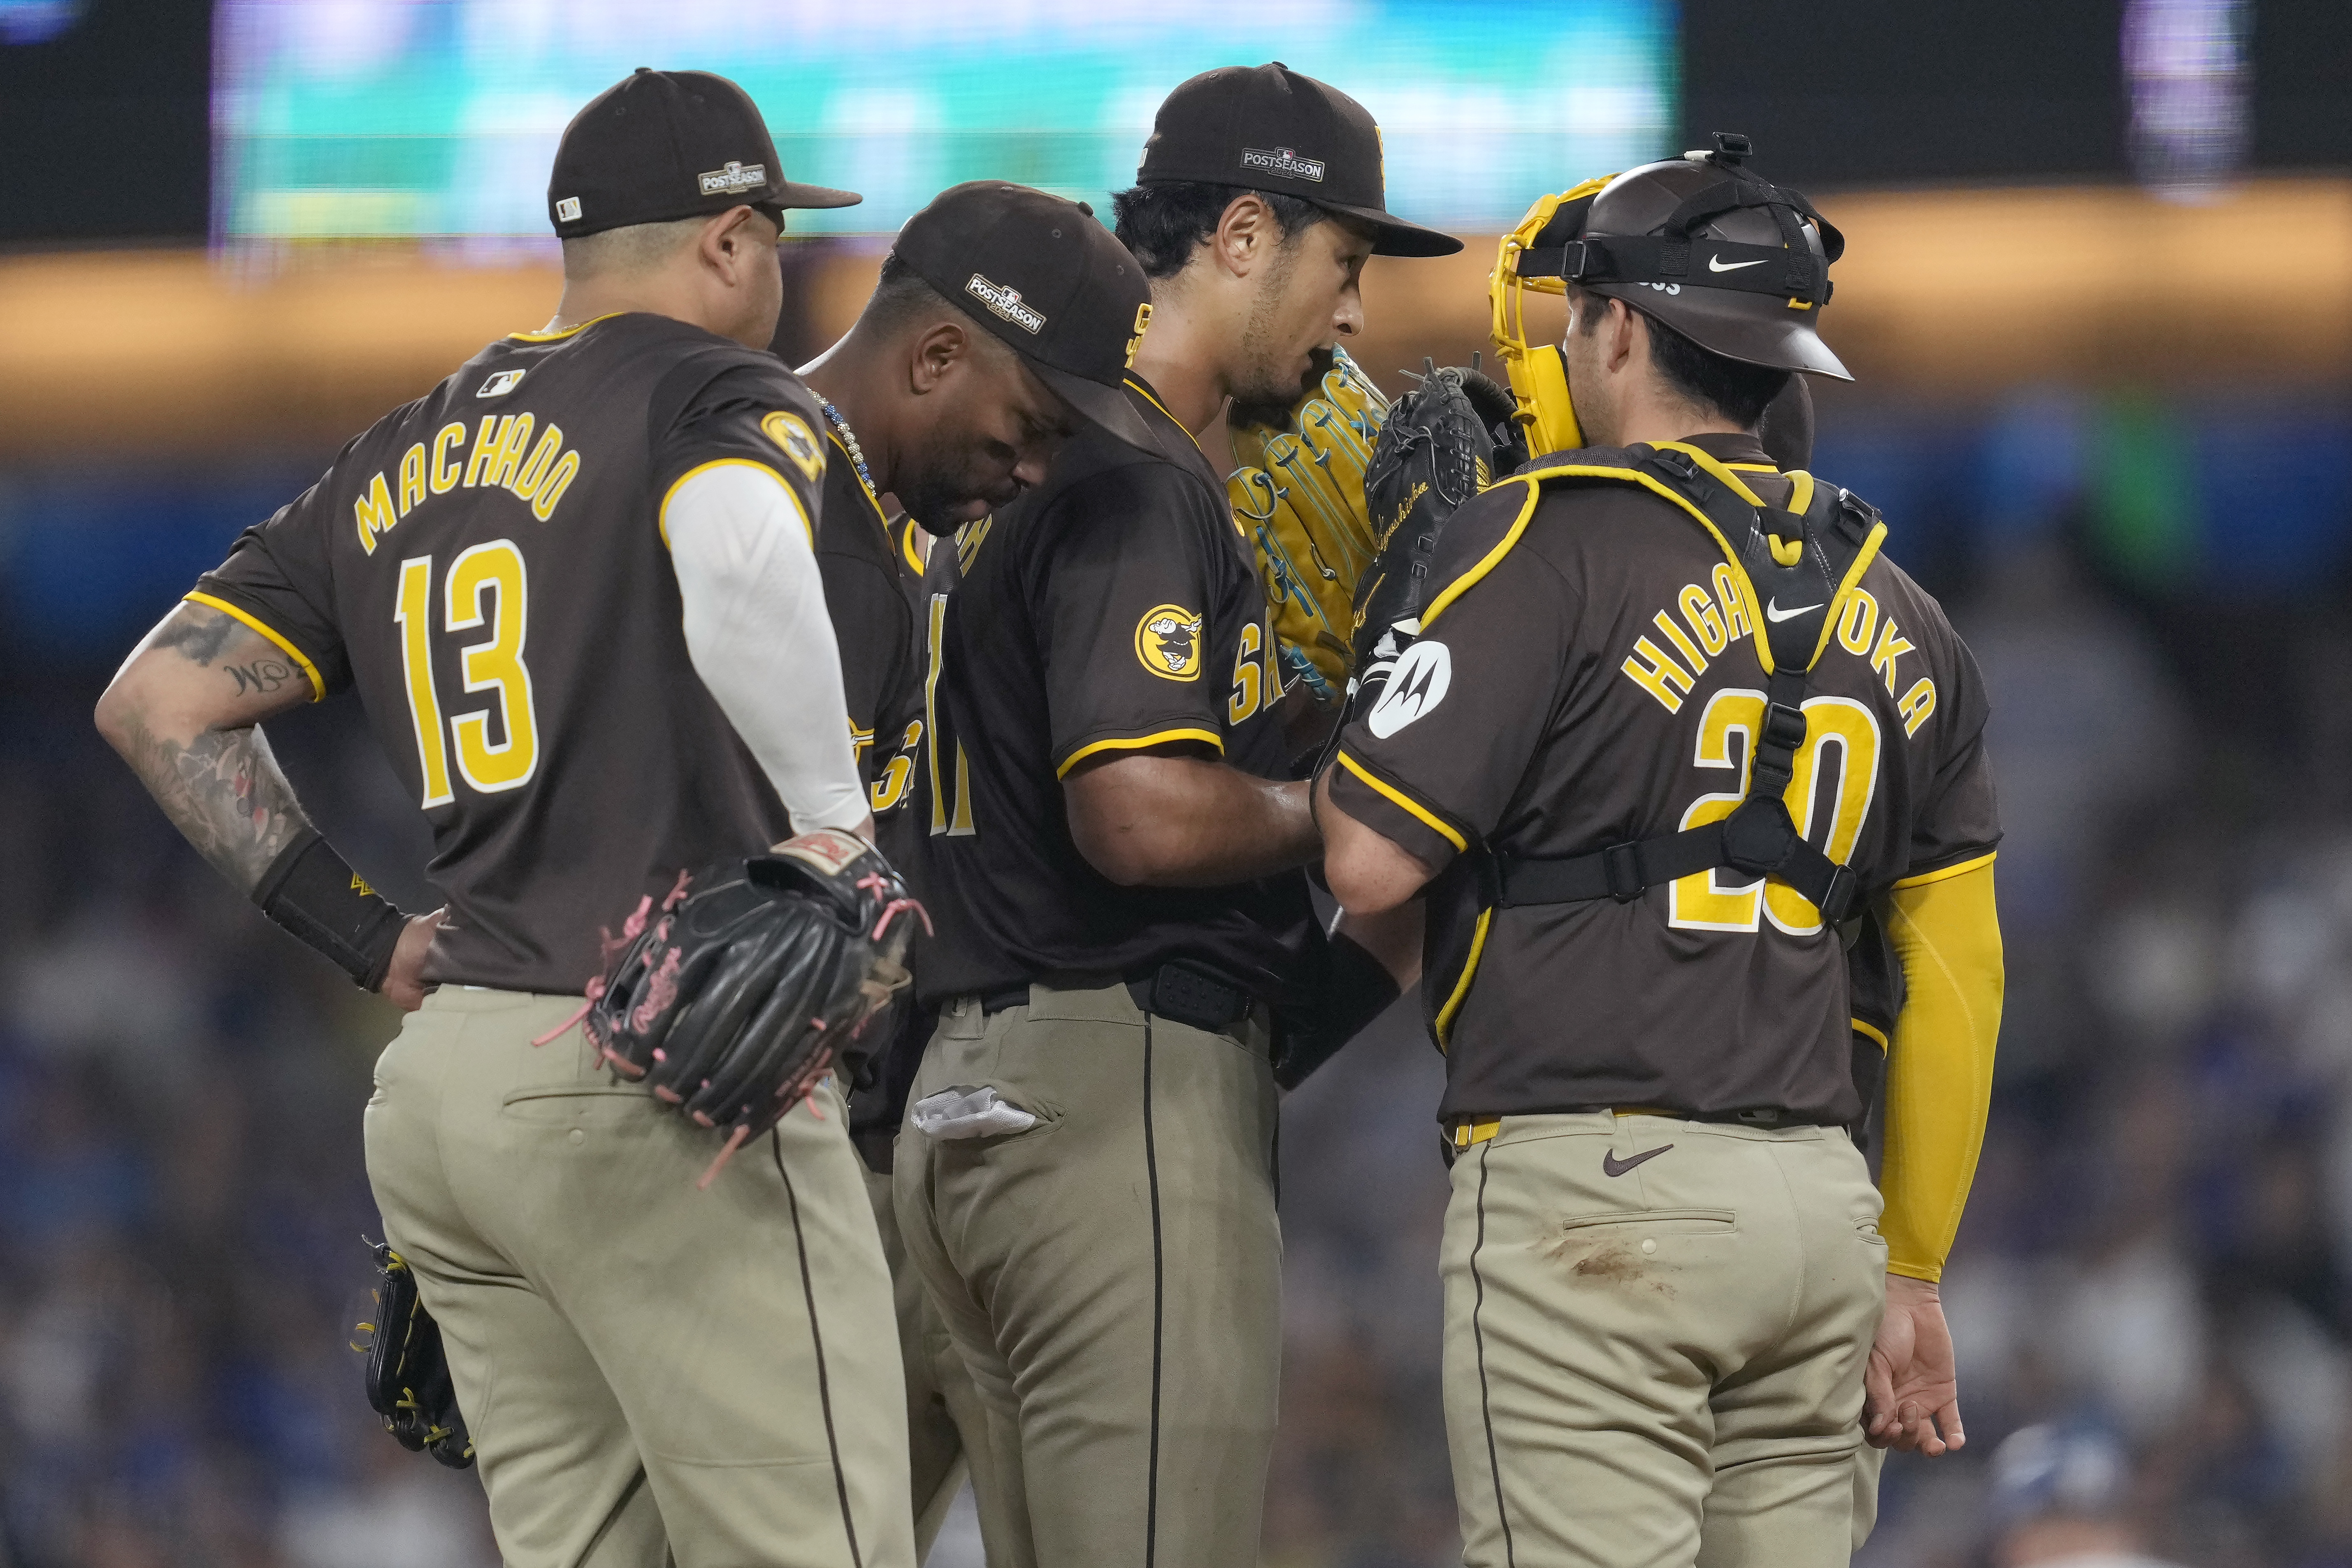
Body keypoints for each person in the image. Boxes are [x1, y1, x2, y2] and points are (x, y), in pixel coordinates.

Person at [96, 67, 946, 1568]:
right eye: (774, 239)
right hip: (659, 1069)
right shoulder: (706, 388)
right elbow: (739, 553)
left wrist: (361, 934)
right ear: (732, 240)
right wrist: (835, 830)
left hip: (458, 1084)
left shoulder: (393, 453)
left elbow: (158, 699)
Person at [1318, 139, 2004, 1566]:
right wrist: (1916, 1268)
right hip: (1820, 1215)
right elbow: (1958, 976)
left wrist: (1411, 595)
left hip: (1598, 1201)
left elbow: (1369, 864)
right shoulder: (1916, 614)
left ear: (1618, 327)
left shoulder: (1541, 541)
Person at [891, 62, 1460, 1568]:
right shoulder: (1138, 473)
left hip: (956, 1102)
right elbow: (1139, 818)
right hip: (1108, 1105)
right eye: (1345, 264)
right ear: (1246, 234)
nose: (1354, 320)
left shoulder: (999, 473)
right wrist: (1339, 802)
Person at [793, 180, 1160, 1557]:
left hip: (874, 1136)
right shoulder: (768, 503)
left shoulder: (890, 524)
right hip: (735, 1157)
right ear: (937, 358)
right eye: (1027, 428)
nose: (1032, 470)